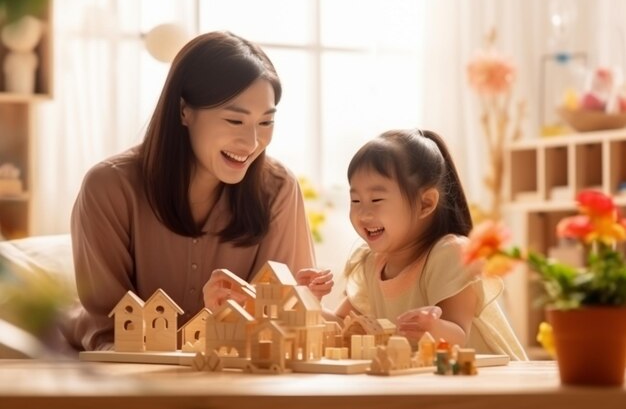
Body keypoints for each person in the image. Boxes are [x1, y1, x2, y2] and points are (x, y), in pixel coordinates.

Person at [63, 31, 333, 351]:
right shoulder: (108, 188)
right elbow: (109, 329)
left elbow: (281, 325)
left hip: (238, 383)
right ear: (184, 111)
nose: (251, 143)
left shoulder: (278, 190)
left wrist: (300, 302)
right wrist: (203, 326)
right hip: (135, 384)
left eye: (265, 122)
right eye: (235, 121)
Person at [334, 129, 527, 360]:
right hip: (427, 385)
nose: (363, 213)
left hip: (488, 384)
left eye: (376, 200)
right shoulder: (370, 262)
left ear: (426, 203)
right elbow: (343, 324)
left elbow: (458, 334)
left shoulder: (449, 254)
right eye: (355, 200)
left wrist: (433, 327)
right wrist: (305, 299)